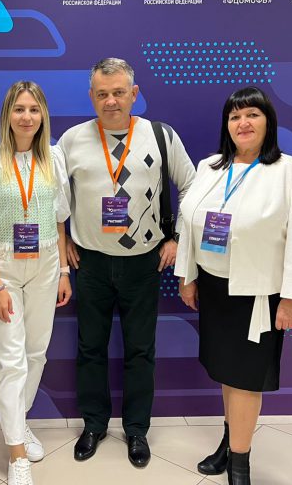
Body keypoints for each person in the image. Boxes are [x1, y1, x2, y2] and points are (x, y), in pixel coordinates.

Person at [174, 87, 292, 485]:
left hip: (257, 293)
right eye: (235, 116)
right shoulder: (210, 167)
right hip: (214, 288)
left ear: (268, 121)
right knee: (227, 373)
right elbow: (189, 223)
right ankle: (230, 440)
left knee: (245, 378)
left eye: (252, 114)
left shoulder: (291, 172)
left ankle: (240, 463)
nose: (243, 123)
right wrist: (187, 275)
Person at [59, 58, 196, 467]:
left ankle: (136, 429)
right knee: (90, 348)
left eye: (119, 92)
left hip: (143, 264)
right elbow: (54, 198)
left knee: (140, 351)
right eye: (102, 94)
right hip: (92, 263)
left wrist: (177, 238)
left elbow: (192, 186)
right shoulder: (71, 140)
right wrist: (64, 243)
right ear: (91, 96)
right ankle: (94, 424)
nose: (111, 101)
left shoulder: (160, 136)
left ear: (134, 93)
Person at [0, 81, 72, 485]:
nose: (26, 117)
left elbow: (60, 220)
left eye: (33, 109)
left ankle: (20, 421)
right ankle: (16, 455)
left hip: (46, 262)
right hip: (5, 265)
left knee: (36, 353)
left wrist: (64, 272)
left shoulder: (54, 159)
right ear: (7, 115)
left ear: (42, 114)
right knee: (10, 360)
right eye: (19, 109)